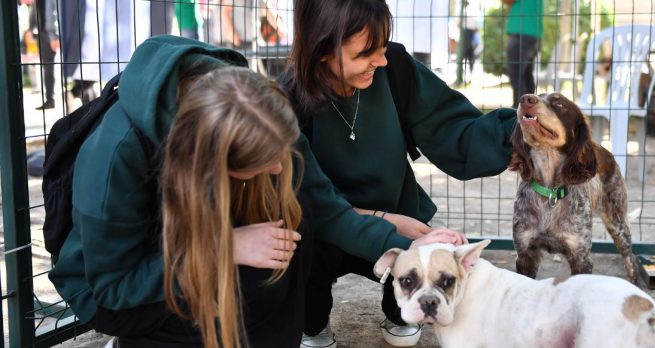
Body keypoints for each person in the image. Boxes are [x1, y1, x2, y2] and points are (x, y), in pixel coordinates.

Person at [48, 35, 465, 348]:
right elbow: (114, 287)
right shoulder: (116, 157)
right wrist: (224, 246)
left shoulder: (257, 105)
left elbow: (325, 206)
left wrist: (414, 249)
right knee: (205, 309)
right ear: (210, 161)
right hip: (121, 286)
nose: (278, 167)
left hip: (198, 241)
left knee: (293, 217)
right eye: (260, 163)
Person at [279, 1, 517, 347]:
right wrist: (387, 223)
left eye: (383, 46)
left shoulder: (396, 69)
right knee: (300, 254)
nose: (382, 60)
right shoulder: (286, 100)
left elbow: (452, 129)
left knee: (412, 302)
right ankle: (312, 323)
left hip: (399, 218)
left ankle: (398, 309)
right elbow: (312, 203)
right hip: (325, 228)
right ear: (322, 51)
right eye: (365, 53)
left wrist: (516, 136)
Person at [504, 0, 543, 107]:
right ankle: (530, 110)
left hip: (521, 30)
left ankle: (519, 112)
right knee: (526, 76)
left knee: (517, 76)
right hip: (534, 31)